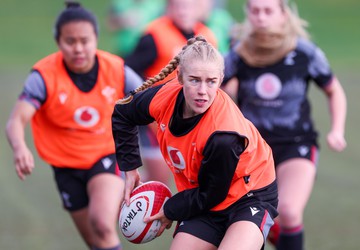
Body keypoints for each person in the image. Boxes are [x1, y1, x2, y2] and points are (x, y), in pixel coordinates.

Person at [112, 36, 278, 250]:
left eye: (211, 82)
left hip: (249, 196)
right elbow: (122, 114)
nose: (202, 91)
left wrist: (171, 209)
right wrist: (130, 168)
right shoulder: (164, 98)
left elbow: (212, 193)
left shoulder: (224, 134)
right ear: (179, 76)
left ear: (220, 79)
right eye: (194, 80)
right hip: (202, 194)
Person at [5, 2, 143, 249]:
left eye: (85, 40)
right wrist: (19, 148)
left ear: (96, 39)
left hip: (106, 154)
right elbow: (16, 119)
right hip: (65, 165)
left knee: (101, 224)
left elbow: (150, 102)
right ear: (58, 42)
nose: (78, 48)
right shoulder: (44, 76)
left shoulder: (116, 69)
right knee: (95, 240)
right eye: (70, 41)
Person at [222, 0, 348, 249]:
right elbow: (212, 87)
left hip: (296, 144)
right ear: (248, 14)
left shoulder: (304, 52)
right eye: (255, 11)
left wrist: (337, 129)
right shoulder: (239, 53)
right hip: (252, 150)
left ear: (283, 14)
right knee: (247, 217)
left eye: (268, 10)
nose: (261, 17)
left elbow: (334, 91)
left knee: (289, 211)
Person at [124, 0, 218, 187]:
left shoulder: (207, 37)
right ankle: (129, 202)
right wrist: (145, 100)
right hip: (158, 117)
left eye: (189, 6)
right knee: (158, 181)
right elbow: (129, 70)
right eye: (179, 6)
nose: (184, 11)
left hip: (195, 117)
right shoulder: (155, 35)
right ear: (169, 8)